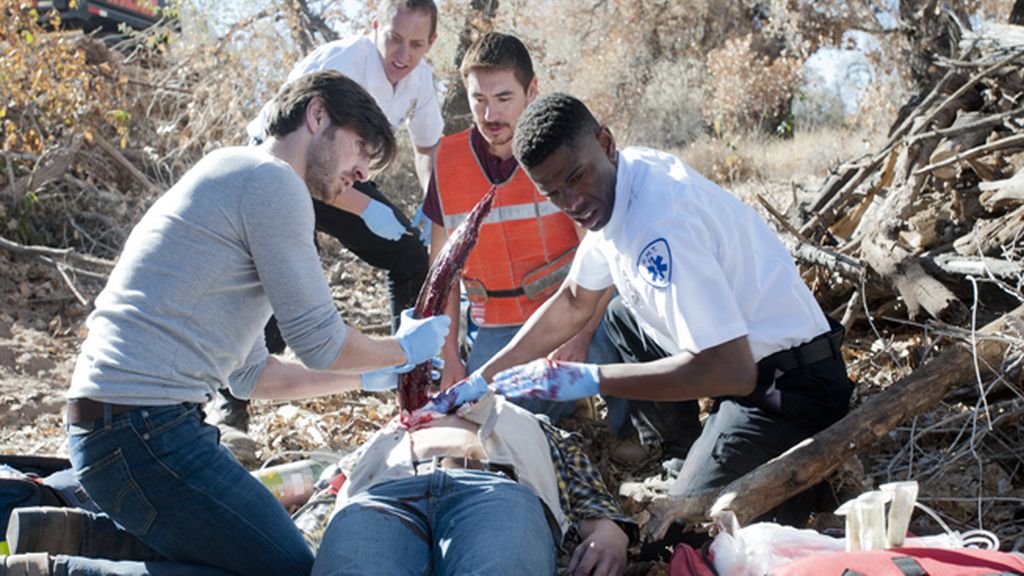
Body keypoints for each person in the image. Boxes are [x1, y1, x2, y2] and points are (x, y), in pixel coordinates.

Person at [0, 71, 451, 576]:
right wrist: (403, 349)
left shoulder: (237, 173)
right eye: (361, 148)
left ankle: (67, 538)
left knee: (240, 553)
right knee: (287, 570)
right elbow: (320, 341)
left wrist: (367, 376)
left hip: (116, 425)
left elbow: (251, 376)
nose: (363, 172)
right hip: (142, 430)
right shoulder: (273, 183)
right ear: (317, 115)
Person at [448, 93, 854, 527]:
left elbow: (733, 371)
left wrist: (592, 378)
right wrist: (480, 379)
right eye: (553, 193)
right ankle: (686, 451)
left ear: (605, 143)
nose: (572, 202)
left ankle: (788, 477)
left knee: (686, 530)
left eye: (576, 178)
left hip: (787, 390)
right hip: (741, 364)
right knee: (622, 316)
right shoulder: (622, 177)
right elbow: (574, 300)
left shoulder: (660, 223)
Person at [213, 0, 444, 442]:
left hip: (344, 176)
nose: (402, 54)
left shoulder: (421, 80)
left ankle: (408, 373)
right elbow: (294, 144)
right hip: (285, 169)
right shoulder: (344, 61)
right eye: (394, 39)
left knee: (411, 254)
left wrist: (432, 202)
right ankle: (230, 407)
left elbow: (428, 148)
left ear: (431, 44)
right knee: (283, 280)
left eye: (416, 45)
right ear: (376, 26)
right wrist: (367, 208)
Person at [421, 32, 624, 427]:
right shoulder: (446, 160)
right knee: (482, 417)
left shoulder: (562, 151)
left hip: (581, 315)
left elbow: (606, 259)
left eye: (503, 99)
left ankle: (632, 428)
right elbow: (441, 277)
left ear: (532, 91)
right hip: (501, 332)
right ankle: (566, 405)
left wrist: (578, 338)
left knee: (624, 338)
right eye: (478, 99)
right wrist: (449, 359)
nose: (490, 116)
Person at [310, 390, 636, 576]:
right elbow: (332, 490)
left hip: (492, 487)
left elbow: (576, 472)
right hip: (381, 496)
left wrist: (607, 529)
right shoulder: (390, 429)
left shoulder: (521, 417)